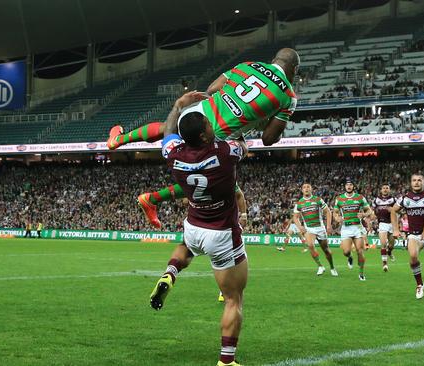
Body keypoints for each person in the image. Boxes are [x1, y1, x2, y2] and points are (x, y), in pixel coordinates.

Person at [108, 49, 301, 228]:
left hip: (199, 112)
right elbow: (268, 138)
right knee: (209, 177)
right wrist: (264, 122)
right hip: (215, 137)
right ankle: (153, 199)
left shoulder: (247, 65)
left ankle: (119, 139)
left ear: (274, 60)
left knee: (167, 128)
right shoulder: (288, 96)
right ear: (294, 69)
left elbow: (212, 88)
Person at [148, 91, 248, 366]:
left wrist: (178, 105)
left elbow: (168, 131)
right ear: (205, 136)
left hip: (194, 224)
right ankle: (226, 362)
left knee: (186, 248)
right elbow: (242, 142)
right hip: (222, 232)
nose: (212, 126)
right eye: (208, 125)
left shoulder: (173, 153)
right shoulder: (224, 153)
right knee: (233, 300)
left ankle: (170, 273)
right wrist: (237, 112)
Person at [332, 179, 374, 281]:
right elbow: (335, 212)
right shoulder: (339, 199)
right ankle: (349, 256)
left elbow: (369, 210)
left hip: (357, 227)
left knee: (360, 251)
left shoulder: (360, 198)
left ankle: (361, 274)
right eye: (347, 185)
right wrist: (337, 218)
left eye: (351, 184)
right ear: (345, 187)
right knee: (346, 251)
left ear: (353, 186)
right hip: (346, 228)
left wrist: (363, 214)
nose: (349, 186)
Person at [293, 183, 337, 276]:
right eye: (304, 187)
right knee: (310, 245)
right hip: (309, 229)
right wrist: (300, 226)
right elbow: (295, 217)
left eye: (308, 187)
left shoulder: (318, 200)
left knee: (326, 250)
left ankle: (332, 267)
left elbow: (328, 212)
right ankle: (320, 266)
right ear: (302, 190)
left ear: (311, 189)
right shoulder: (299, 203)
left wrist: (328, 226)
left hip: (320, 228)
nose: (306, 189)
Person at [372, 184, 397, 271]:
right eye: (383, 188)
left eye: (387, 188)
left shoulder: (394, 200)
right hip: (382, 223)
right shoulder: (376, 200)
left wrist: (393, 210)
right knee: (383, 244)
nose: (385, 189)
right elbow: (373, 211)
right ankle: (385, 264)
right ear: (381, 190)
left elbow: (399, 211)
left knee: (391, 245)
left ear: (389, 190)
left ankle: (389, 252)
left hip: (392, 224)